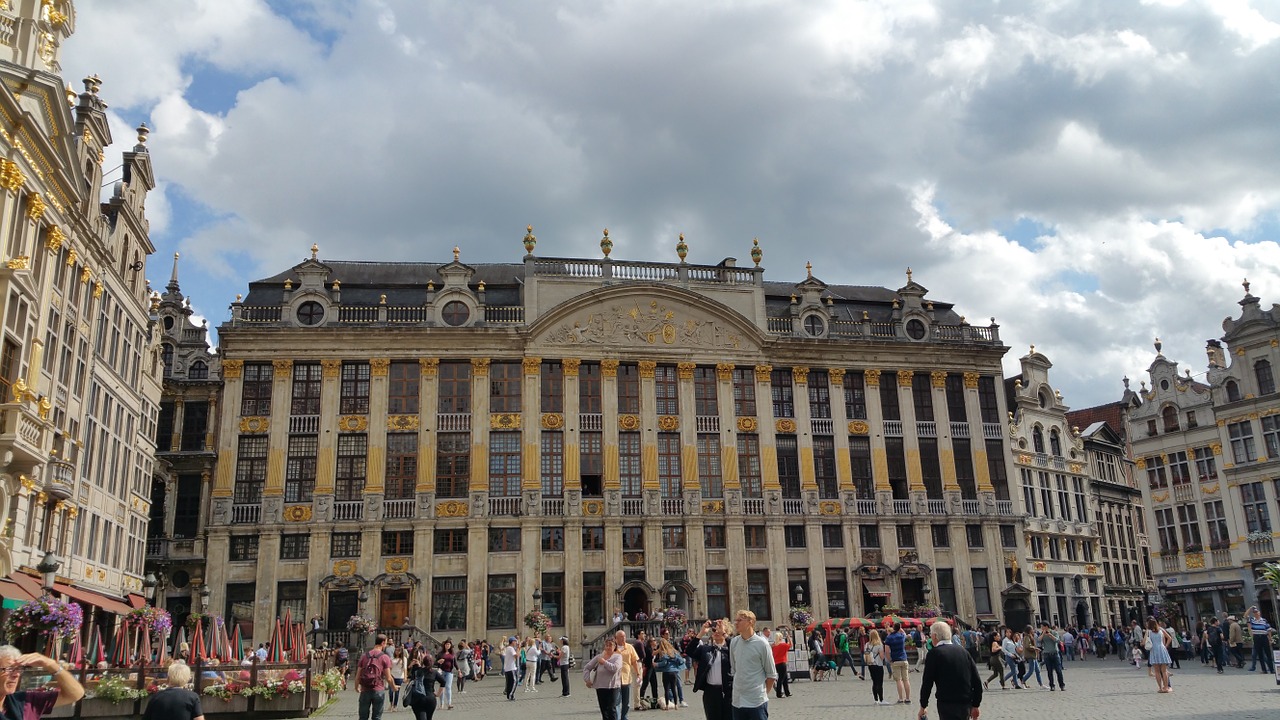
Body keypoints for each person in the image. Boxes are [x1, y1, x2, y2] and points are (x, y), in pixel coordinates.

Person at [918, 621, 983, 720]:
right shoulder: (963, 652)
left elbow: (927, 682)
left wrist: (923, 706)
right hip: (965, 703)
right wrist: (976, 705)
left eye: (931, 635)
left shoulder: (934, 654)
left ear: (935, 636)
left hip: (946, 703)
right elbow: (976, 680)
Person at [728, 610, 776, 720]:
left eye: (739, 620)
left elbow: (771, 674)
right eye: (736, 620)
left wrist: (762, 694)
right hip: (738, 701)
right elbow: (734, 669)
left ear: (750, 622)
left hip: (756, 701)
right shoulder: (734, 642)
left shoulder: (762, 644)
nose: (736, 623)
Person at [692, 619, 732, 720]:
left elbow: (737, 649)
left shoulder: (731, 650)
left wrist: (724, 633)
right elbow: (689, 651)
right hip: (711, 692)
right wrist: (701, 633)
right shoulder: (706, 649)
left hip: (728, 691)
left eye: (720, 630)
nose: (716, 632)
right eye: (714, 630)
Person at [357, 634, 396, 720]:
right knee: (377, 717)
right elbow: (388, 678)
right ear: (382, 643)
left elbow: (358, 674)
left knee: (363, 717)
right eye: (386, 643)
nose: (386, 645)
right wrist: (394, 687)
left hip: (365, 689)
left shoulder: (364, 656)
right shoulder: (385, 657)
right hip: (378, 690)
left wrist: (356, 686)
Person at [584, 638, 624, 720]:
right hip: (600, 686)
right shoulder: (599, 657)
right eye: (607, 645)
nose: (608, 647)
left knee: (611, 709)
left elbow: (614, 668)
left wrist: (604, 662)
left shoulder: (618, 657)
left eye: (611, 645)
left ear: (614, 647)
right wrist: (587, 679)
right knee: (604, 710)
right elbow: (587, 668)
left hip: (613, 687)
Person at [406, 648, 447, 720]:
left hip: (418, 698)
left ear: (423, 662)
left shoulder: (417, 672)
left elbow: (410, 682)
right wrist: (438, 694)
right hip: (430, 698)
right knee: (429, 718)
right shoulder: (434, 672)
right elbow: (443, 682)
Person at [613, 629, 643, 720]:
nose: (623, 638)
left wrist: (638, 673)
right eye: (621, 637)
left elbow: (634, 661)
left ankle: (624, 717)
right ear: (616, 639)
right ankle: (617, 718)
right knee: (617, 701)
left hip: (626, 677)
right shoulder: (612, 648)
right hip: (615, 678)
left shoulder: (630, 647)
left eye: (624, 636)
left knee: (626, 702)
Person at [884, 622, 911, 703]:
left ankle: (900, 698)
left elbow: (887, 651)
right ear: (899, 628)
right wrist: (899, 629)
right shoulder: (902, 636)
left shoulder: (889, 638)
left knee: (898, 680)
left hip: (895, 660)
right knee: (906, 680)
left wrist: (890, 660)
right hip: (904, 659)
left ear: (893, 627)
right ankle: (908, 698)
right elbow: (904, 633)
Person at [1146, 619, 1173, 693]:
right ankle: (1166, 687)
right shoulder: (1161, 630)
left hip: (1154, 650)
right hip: (1162, 649)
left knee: (1157, 671)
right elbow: (1169, 638)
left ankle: (1160, 688)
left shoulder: (1149, 632)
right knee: (1164, 671)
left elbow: (1145, 641)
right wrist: (1165, 646)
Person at [655, 638, 683, 709]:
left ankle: (667, 705)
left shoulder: (664, 652)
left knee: (666, 689)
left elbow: (664, 663)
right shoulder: (673, 652)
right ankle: (676, 705)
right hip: (674, 672)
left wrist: (656, 664)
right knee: (674, 688)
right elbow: (680, 660)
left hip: (666, 672)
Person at [1246, 607, 1275, 674]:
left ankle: (1271, 669)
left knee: (1268, 654)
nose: (1256, 614)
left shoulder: (1264, 620)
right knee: (1260, 654)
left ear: (1259, 613)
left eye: (1257, 612)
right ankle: (1264, 670)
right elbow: (1245, 615)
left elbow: (1269, 630)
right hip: (1256, 637)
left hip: (1264, 637)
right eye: (1255, 613)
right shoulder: (1252, 620)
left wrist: (1270, 639)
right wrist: (1250, 608)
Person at [865, 629, 889, 705]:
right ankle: (881, 699)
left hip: (870, 664)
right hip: (878, 664)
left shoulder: (867, 645)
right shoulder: (879, 645)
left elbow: (866, 654)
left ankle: (876, 699)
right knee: (880, 683)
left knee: (874, 682)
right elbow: (882, 657)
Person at [1037, 623, 1064, 691]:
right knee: (1049, 671)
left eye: (1042, 627)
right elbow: (1039, 640)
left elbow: (1057, 640)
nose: (1041, 628)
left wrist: (1050, 635)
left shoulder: (1054, 632)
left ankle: (1062, 685)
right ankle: (1052, 685)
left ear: (1046, 627)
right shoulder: (1042, 633)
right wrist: (1043, 634)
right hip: (1047, 654)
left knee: (1059, 670)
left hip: (1055, 653)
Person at [769, 628, 790, 699]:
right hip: (782, 662)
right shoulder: (783, 645)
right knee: (781, 678)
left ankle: (787, 692)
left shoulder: (774, 646)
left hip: (776, 663)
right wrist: (789, 638)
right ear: (781, 638)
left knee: (784, 677)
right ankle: (779, 693)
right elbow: (790, 645)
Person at [389, 646, 407, 711]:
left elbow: (405, 668)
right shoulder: (392, 658)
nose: (397, 652)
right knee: (390, 691)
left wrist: (405, 676)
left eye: (398, 651)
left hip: (399, 676)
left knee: (397, 691)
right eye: (396, 650)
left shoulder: (404, 659)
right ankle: (391, 703)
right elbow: (390, 667)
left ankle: (395, 705)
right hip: (392, 675)